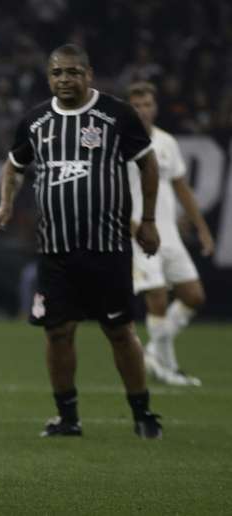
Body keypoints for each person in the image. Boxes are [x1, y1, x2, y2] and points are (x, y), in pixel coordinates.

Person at [0, 44, 163, 439]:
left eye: (72, 72)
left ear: (89, 74)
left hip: (108, 247)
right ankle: (68, 418)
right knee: (58, 332)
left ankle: (143, 413)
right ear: (48, 77)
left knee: (120, 331)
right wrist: (4, 206)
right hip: (55, 251)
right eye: (57, 73)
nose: (64, 80)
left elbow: (147, 164)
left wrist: (149, 220)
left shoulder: (116, 115)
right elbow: (14, 167)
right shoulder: (35, 121)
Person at [126, 81, 214, 386]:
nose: (142, 110)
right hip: (137, 232)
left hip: (169, 234)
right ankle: (169, 368)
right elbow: (109, 191)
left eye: (147, 104)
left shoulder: (167, 142)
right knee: (158, 297)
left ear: (155, 107)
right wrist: (131, 224)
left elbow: (182, 188)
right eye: (136, 105)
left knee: (194, 295)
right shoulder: (119, 143)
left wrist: (202, 229)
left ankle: (153, 352)